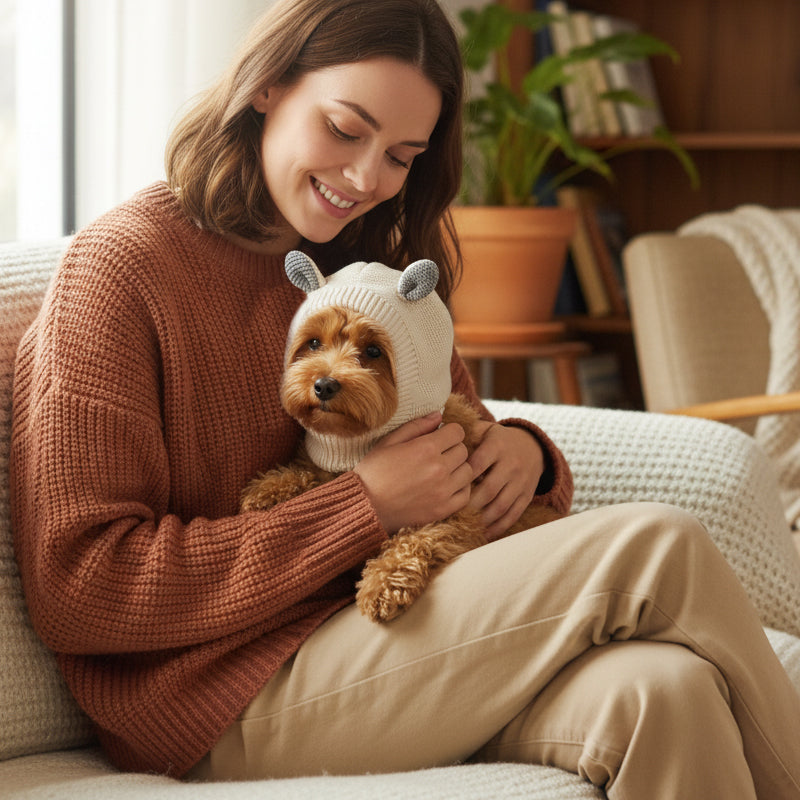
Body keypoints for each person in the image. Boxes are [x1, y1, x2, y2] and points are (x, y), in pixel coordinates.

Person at [9, 0, 800, 796]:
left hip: (389, 632)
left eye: (402, 155)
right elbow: (81, 588)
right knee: (660, 546)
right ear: (266, 88)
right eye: (346, 129)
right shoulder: (118, 274)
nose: (365, 178)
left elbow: (449, 443)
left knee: (667, 692)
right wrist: (362, 507)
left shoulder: (364, 267)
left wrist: (522, 456)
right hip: (216, 700)